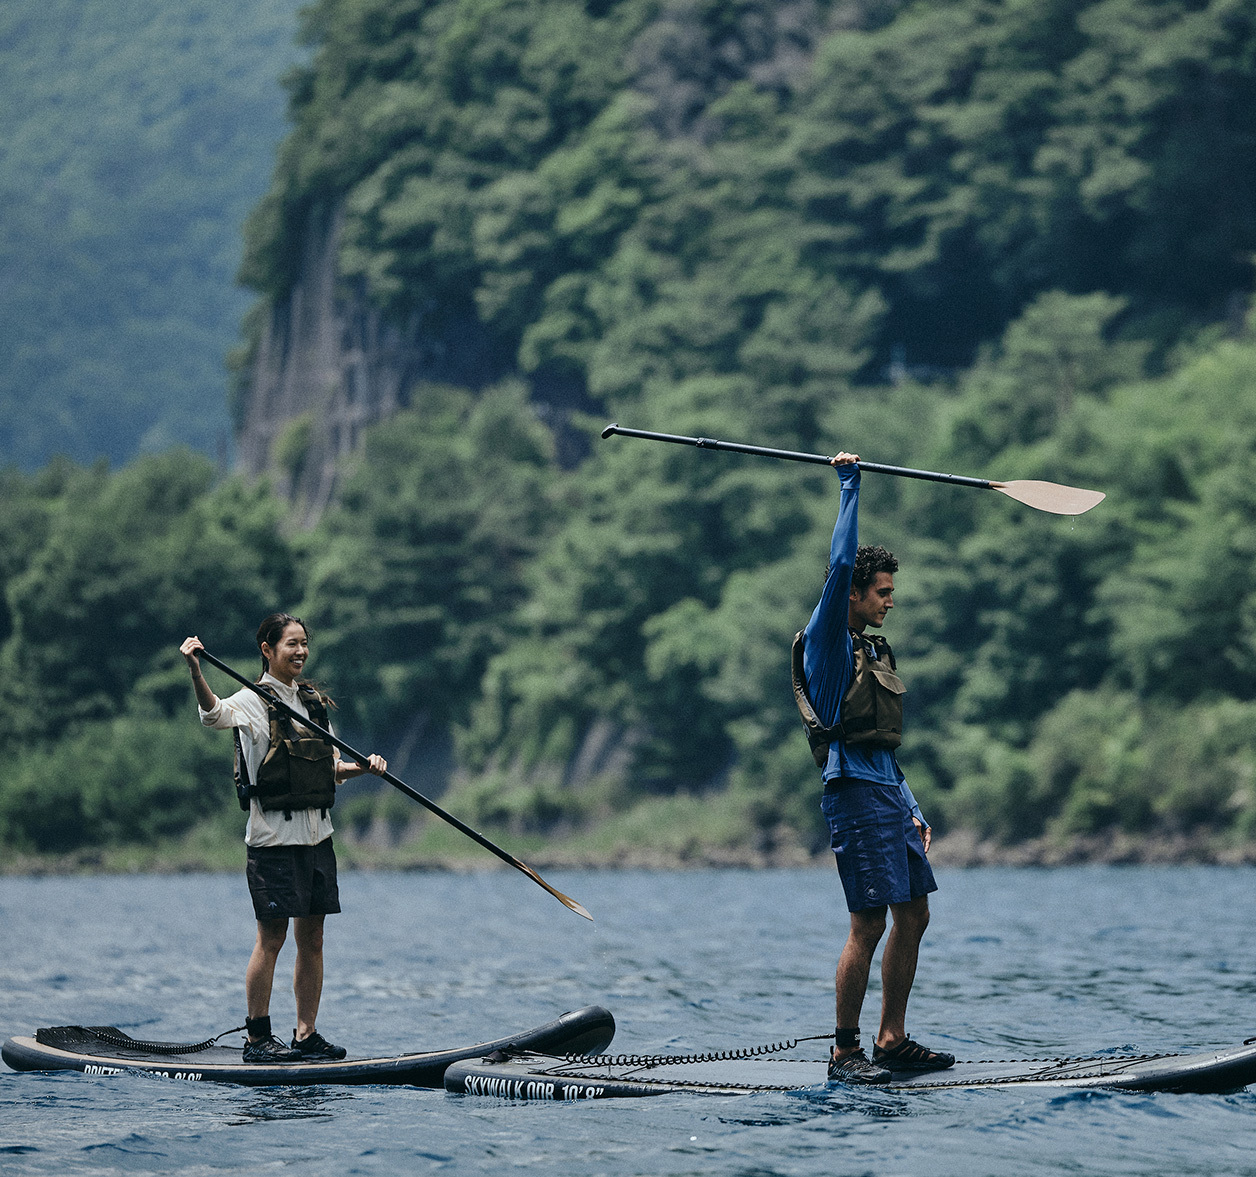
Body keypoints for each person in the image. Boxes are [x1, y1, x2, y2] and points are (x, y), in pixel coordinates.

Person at [796, 453, 954, 1084]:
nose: (890, 601)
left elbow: (885, 744)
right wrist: (849, 484)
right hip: (853, 792)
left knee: (913, 914)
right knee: (868, 922)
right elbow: (839, 563)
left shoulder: (874, 646)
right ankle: (844, 1052)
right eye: (882, 592)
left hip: (886, 789)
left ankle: (892, 1039)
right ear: (854, 596)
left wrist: (912, 805)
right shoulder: (829, 639)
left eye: (892, 591)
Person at [180, 613, 386, 1064]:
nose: (300, 651)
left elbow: (331, 767)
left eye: (304, 643)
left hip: (317, 838)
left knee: (313, 939)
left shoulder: (312, 704)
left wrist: (363, 767)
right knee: (271, 939)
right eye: (291, 644)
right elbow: (212, 714)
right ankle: (257, 1039)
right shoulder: (250, 701)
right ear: (267, 650)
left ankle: (306, 1035)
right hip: (273, 840)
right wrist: (196, 669)